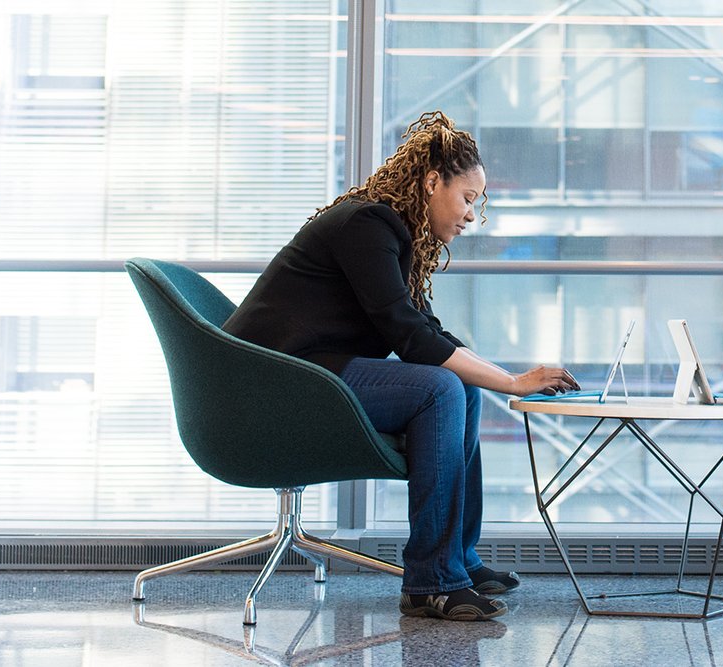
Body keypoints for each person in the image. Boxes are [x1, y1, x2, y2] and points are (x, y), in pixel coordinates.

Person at [224, 110, 579, 622]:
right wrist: (511, 383)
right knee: (440, 388)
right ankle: (431, 583)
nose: (471, 217)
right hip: (272, 381)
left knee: (459, 385)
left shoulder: (391, 230)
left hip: (310, 371)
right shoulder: (368, 224)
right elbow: (410, 339)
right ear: (433, 182)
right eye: (468, 199)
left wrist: (505, 377)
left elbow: (425, 331)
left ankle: (457, 560)